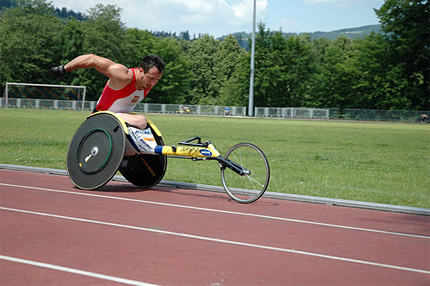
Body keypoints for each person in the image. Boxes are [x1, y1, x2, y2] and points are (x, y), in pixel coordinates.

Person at [51, 54, 165, 154]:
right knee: (141, 121)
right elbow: (92, 59)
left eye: (157, 80)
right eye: (151, 78)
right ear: (141, 70)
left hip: (117, 124)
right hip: (100, 119)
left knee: (137, 151)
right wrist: (64, 68)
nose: (153, 83)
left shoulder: (147, 83)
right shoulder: (124, 76)